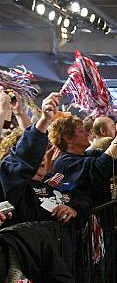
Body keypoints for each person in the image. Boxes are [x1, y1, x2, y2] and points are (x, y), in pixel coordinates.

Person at [0, 92, 91, 224]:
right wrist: (44, 121)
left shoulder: (54, 181)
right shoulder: (15, 187)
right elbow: (26, 152)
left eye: (43, 152)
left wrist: (74, 208)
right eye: (37, 154)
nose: (42, 157)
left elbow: (83, 199)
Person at [49, 112, 117, 206]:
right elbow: (100, 169)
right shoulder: (64, 163)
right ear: (68, 139)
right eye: (81, 131)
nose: (87, 134)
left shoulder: (89, 154)